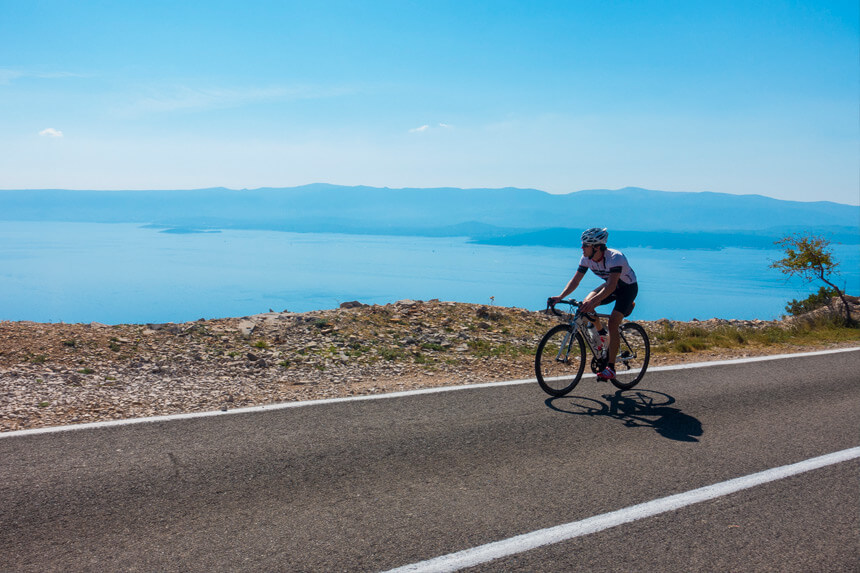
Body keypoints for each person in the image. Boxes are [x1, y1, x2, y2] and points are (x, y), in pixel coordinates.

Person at [549, 227, 638, 381]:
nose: (581, 248)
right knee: (585, 304)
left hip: (627, 289)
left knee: (613, 322)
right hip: (610, 286)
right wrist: (560, 296)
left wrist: (593, 302)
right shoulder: (585, 259)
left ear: (596, 247)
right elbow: (575, 281)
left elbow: (611, 287)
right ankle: (602, 336)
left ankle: (611, 368)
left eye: (585, 245)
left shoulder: (615, 258)